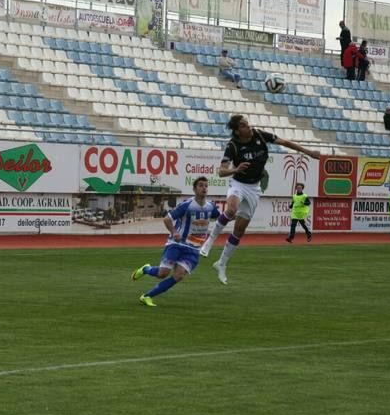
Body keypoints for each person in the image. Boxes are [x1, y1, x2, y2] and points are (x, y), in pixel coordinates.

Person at [199, 114, 322, 284]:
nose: (248, 127)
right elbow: (221, 171)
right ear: (237, 131)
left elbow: (285, 142)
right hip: (238, 184)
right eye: (243, 126)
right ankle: (209, 241)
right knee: (231, 210)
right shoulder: (233, 146)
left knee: (239, 231)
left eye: (247, 124)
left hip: (254, 188)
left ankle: (221, 263)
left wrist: (308, 152)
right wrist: (236, 170)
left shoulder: (259, 135)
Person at [132, 176, 220, 307]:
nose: (204, 188)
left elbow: (222, 217)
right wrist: (174, 232)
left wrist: (237, 213)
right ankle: (146, 269)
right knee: (163, 273)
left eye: (206, 186)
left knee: (178, 276)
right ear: (194, 189)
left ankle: (147, 296)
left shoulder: (210, 207)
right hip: (177, 244)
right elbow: (167, 219)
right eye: (201, 185)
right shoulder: (187, 205)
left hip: (194, 249)